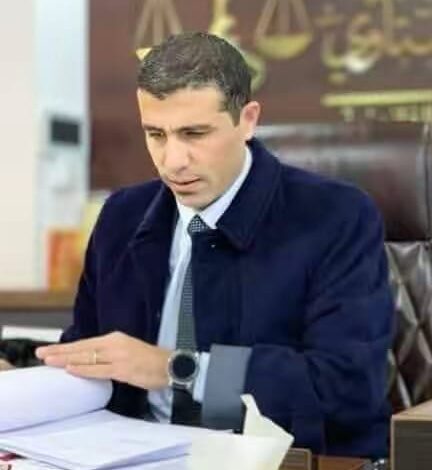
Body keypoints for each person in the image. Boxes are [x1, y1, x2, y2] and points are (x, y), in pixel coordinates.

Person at [35, 31, 394, 459]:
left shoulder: (336, 216)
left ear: (248, 120)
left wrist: (175, 368)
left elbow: (347, 385)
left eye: (195, 133)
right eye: (156, 134)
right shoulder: (121, 217)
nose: (173, 161)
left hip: (284, 460)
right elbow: (85, 356)